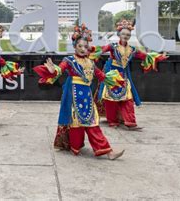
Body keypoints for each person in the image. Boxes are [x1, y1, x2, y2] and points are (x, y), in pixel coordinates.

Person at [34, 24, 124, 160]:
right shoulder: (69, 60)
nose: (83, 49)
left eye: (85, 46)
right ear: (74, 46)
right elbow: (60, 69)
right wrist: (53, 70)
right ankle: (75, 146)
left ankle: (108, 151)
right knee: (76, 126)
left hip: (87, 98)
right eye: (80, 46)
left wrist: (115, 81)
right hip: (74, 98)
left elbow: (101, 76)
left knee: (93, 124)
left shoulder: (91, 62)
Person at [90, 20, 168, 130]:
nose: (125, 36)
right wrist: (87, 52)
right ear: (119, 35)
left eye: (128, 34)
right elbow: (99, 51)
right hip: (112, 76)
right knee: (111, 100)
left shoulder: (132, 49)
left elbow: (146, 56)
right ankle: (112, 121)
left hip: (124, 77)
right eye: (123, 34)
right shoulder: (112, 46)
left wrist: (159, 56)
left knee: (128, 99)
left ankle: (130, 122)